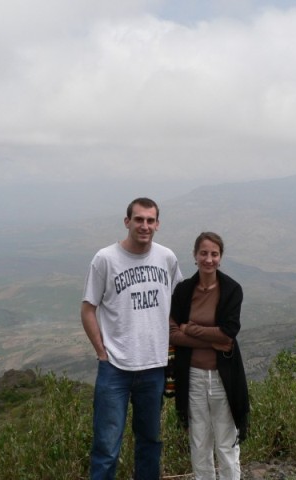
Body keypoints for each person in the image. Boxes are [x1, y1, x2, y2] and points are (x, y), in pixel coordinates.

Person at [81, 197, 183, 480]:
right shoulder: (105, 259)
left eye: (150, 220)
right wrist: (102, 352)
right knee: (106, 447)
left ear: (158, 224)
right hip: (115, 368)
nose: (145, 226)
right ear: (127, 222)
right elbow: (88, 309)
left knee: (150, 442)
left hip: (153, 366)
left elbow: (179, 302)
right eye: (139, 219)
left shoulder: (167, 258)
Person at [169, 232, 249, 480]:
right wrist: (211, 340)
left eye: (214, 254)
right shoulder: (183, 291)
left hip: (223, 378)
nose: (209, 259)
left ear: (220, 258)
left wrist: (190, 328)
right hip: (191, 377)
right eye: (204, 253)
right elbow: (172, 334)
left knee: (226, 443)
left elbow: (228, 334)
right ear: (195, 256)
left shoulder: (231, 290)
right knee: (199, 442)